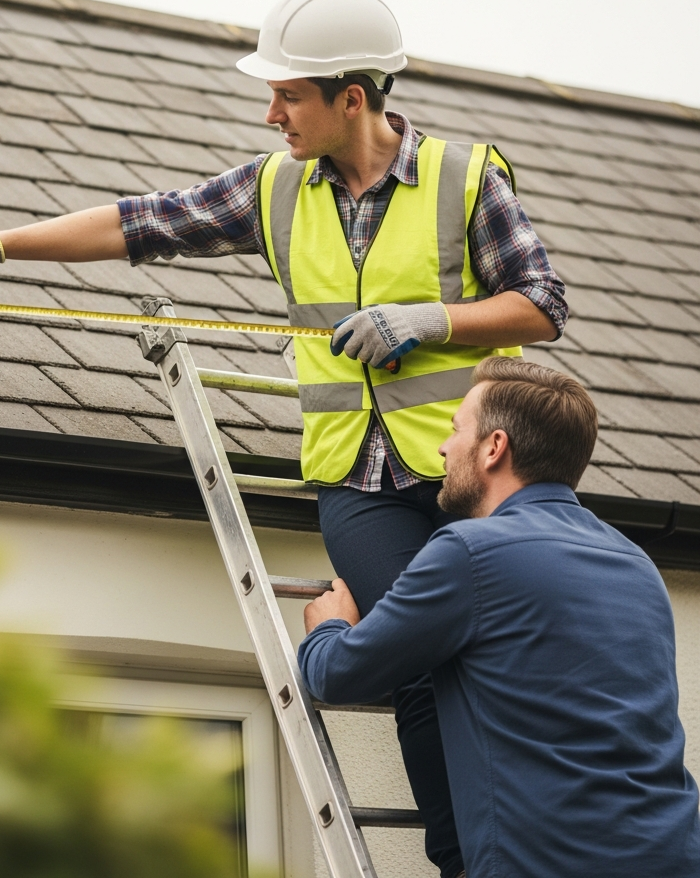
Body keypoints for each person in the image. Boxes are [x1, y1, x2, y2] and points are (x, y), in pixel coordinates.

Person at [0, 0, 567, 878]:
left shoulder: (464, 178)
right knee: (419, 660)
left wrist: (431, 320)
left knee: (506, 658)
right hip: (358, 486)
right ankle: (463, 859)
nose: (271, 111)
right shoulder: (272, 189)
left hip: (471, 475)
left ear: (350, 97)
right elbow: (143, 225)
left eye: (288, 95)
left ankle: (532, 844)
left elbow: (543, 307)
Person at [299, 357, 700, 877]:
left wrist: (329, 626)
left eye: (455, 429)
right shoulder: (635, 561)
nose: (443, 448)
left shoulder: (470, 552)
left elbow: (339, 673)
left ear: (494, 447)